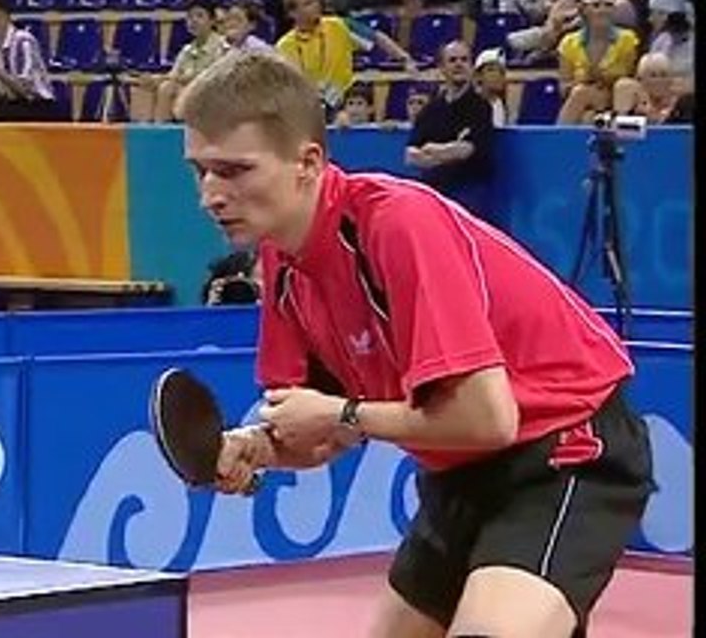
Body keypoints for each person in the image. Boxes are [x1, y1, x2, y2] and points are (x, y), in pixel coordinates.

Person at [173, 49, 653, 638]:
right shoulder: (284, 267)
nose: (210, 195)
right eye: (200, 171)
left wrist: (343, 412)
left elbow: (488, 419)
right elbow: (323, 433)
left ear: (308, 161)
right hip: (457, 474)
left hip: (564, 449)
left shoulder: (398, 224)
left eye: (235, 170)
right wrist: (257, 447)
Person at [276, 0, 416, 121]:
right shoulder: (284, 46)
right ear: (292, 13)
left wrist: (404, 58)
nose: (315, 6)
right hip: (306, 107)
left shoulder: (338, 25)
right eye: (307, 4)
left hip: (343, 103)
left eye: (314, 2)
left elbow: (376, 37)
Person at [404, 41, 496, 223]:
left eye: (464, 60)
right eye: (452, 60)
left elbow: (467, 149)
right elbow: (410, 154)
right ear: (442, 68)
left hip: (468, 191)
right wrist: (446, 150)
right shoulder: (431, 109)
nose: (459, 64)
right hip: (435, 190)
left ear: (471, 67)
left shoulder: (480, 107)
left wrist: (433, 151)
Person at [0, 0, 58, 121]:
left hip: (36, 105)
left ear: (3, 14)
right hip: (6, 104)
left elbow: (26, 91)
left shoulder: (23, 41)